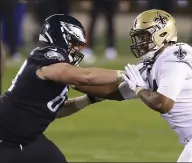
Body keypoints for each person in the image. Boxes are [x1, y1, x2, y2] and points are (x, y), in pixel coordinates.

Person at [60, 10, 192, 162]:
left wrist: (140, 89)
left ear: (162, 34)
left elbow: (163, 104)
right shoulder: (152, 62)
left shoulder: (176, 57)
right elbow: (112, 91)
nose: (140, 41)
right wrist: (71, 79)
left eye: (144, 36)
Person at [0, 14, 123, 163]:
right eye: (74, 43)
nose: (77, 49)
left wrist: (88, 100)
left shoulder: (57, 67)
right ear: (61, 36)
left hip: (28, 138)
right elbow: (86, 77)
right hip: (6, 136)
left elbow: (53, 110)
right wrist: (125, 73)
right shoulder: (48, 55)